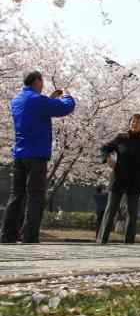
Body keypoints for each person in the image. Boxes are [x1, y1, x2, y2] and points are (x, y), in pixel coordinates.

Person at [1, 71, 76, 244]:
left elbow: (37, 113)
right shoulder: (38, 100)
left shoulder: (17, 100)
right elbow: (66, 107)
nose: (43, 85)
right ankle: (29, 236)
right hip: (37, 155)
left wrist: (50, 99)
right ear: (37, 81)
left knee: (17, 195)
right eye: (42, 81)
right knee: (35, 195)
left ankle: (7, 234)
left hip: (20, 154)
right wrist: (67, 94)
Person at [97, 114, 140, 244]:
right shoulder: (120, 137)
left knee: (132, 212)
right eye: (133, 122)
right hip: (119, 177)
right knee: (110, 210)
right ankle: (102, 240)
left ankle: (129, 242)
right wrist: (108, 158)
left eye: (138, 123)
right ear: (130, 123)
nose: (135, 124)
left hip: (136, 178)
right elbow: (105, 148)